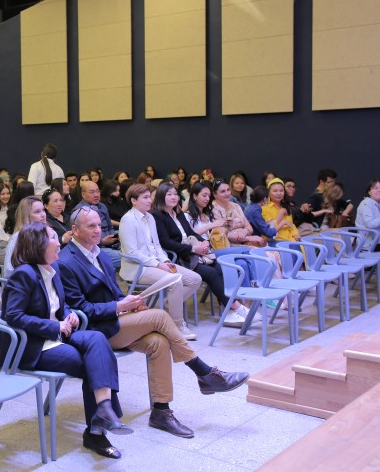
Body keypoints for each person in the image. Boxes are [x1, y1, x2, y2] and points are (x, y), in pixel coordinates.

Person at [58, 208, 249, 439]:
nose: (98, 230)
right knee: (159, 316)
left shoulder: (101, 255)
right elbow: (79, 309)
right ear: (75, 230)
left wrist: (131, 304)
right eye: (91, 226)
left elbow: (116, 293)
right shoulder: (66, 261)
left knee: (159, 342)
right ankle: (204, 372)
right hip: (94, 332)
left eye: (99, 225)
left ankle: (161, 411)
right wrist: (119, 306)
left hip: (114, 321)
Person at [3, 223, 131, 459]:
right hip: (34, 345)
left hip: (58, 335)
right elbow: (13, 316)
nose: (59, 240)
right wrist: (54, 326)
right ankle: (97, 431)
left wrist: (70, 314)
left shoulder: (53, 268)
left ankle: (103, 410)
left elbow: (58, 306)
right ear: (38, 245)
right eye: (53, 237)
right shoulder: (24, 274)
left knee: (97, 339)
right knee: (91, 363)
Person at [152, 182, 251, 327]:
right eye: (169, 194)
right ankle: (237, 308)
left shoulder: (178, 213)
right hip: (179, 257)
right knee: (211, 273)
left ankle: (230, 311)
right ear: (161, 196)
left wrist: (203, 242)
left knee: (220, 267)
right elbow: (165, 243)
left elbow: (190, 233)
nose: (174, 197)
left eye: (175, 194)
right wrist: (193, 249)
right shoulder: (157, 215)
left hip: (193, 254)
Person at [118, 184, 200, 340]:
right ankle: (177, 324)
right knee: (175, 281)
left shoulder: (150, 217)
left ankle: (165, 309)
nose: (150, 201)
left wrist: (166, 260)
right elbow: (132, 252)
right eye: (145, 198)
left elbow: (156, 246)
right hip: (138, 268)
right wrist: (158, 264)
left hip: (156, 263)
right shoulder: (128, 220)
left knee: (195, 279)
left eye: (150, 197)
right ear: (134, 201)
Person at [72, 181, 121, 270]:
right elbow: (81, 238)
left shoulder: (103, 206)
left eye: (98, 191)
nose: (96, 195)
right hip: (95, 248)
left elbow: (110, 227)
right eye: (92, 192)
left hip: (111, 243)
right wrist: (102, 241)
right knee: (128, 259)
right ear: (83, 194)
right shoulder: (79, 211)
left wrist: (114, 238)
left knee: (133, 250)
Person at [211, 179, 266, 247]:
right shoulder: (213, 209)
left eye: (228, 190)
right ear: (215, 194)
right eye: (223, 191)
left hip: (246, 242)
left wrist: (245, 231)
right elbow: (222, 234)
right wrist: (248, 238)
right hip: (228, 245)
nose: (227, 193)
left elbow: (249, 227)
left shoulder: (235, 206)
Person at [3, 196, 47, 277]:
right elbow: (8, 270)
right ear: (26, 216)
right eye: (37, 212)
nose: (43, 215)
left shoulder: (51, 233)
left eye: (43, 210)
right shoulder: (17, 238)